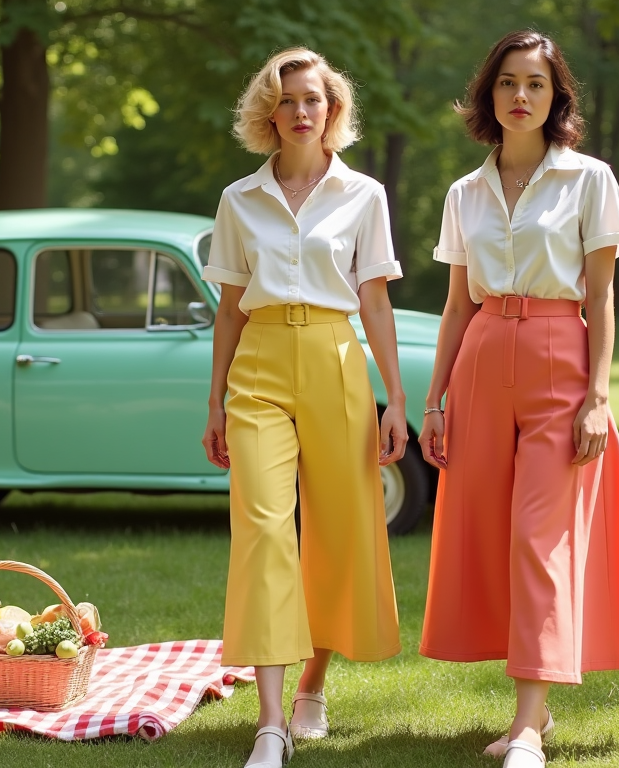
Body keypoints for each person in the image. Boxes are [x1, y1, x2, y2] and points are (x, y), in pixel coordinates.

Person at [417, 30, 619, 768]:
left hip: (561, 358)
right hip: (483, 355)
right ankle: (535, 713)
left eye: (535, 84)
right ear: (488, 94)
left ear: (557, 96)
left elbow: (602, 295)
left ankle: (528, 723)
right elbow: (457, 306)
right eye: (506, 83)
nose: (520, 96)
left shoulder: (590, 180)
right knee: (493, 535)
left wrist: (598, 395)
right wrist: (433, 401)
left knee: (539, 536)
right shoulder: (465, 192)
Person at [202, 47, 406, 768]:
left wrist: (395, 401)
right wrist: (216, 400)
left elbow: (375, 302)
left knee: (338, 531)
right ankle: (268, 721)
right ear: (269, 113)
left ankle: (312, 687)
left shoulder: (364, 196)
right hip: (257, 364)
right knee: (262, 530)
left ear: (333, 110)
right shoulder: (239, 200)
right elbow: (228, 308)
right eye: (286, 101)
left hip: (336, 360)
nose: (299, 111)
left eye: (312, 99)